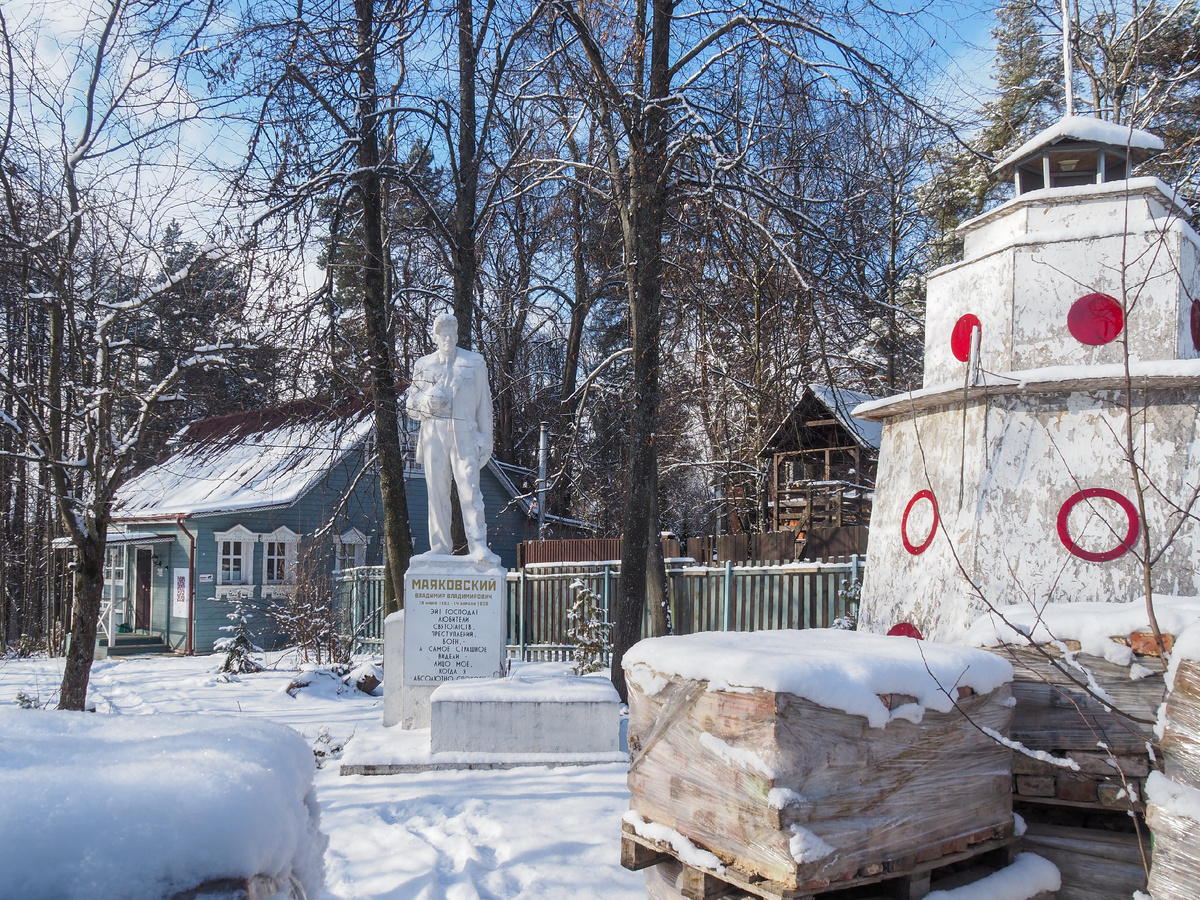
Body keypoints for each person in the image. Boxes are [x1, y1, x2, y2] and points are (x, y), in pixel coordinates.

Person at [406, 312, 500, 565]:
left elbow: (484, 406)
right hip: (433, 434)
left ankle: (478, 545)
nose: (448, 340)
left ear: (457, 336)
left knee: (470, 491)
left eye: (452, 335)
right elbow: (411, 407)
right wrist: (427, 402)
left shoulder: (474, 363)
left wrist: (487, 439)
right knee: (437, 492)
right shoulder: (424, 366)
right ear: (435, 337)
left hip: (465, 435)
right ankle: (439, 546)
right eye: (443, 336)